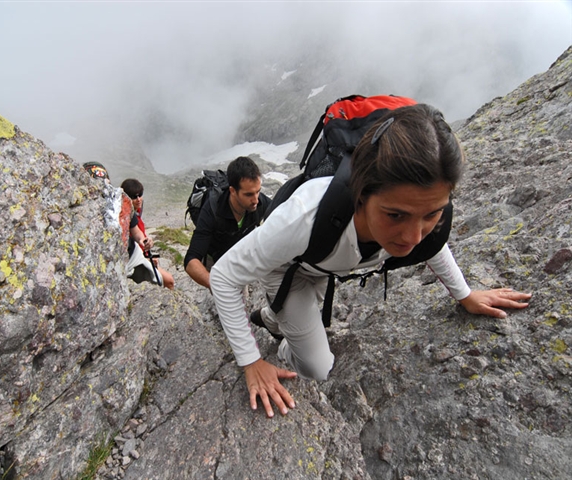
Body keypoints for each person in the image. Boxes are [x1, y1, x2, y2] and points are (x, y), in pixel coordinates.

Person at [209, 104, 532, 418]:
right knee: (317, 366)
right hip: (292, 269)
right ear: (359, 193)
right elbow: (224, 276)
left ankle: (273, 317)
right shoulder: (303, 218)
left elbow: (434, 244)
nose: (412, 236)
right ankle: (281, 335)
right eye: (395, 215)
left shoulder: (424, 209)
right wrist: (250, 361)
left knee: (304, 319)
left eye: (431, 214)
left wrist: (466, 295)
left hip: (326, 261)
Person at [184, 156, 271, 290]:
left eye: (258, 192)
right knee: (223, 302)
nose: (255, 200)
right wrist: (218, 286)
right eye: (248, 194)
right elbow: (191, 260)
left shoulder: (261, 203)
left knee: (241, 300)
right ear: (232, 191)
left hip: (240, 259)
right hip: (215, 259)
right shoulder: (213, 208)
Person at [121, 178, 175, 290]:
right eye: (134, 197)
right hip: (134, 259)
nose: (138, 199)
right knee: (169, 281)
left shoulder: (135, 214)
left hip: (141, 256)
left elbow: (138, 235)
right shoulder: (126, 215)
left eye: (140, 195)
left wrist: (147, 243)